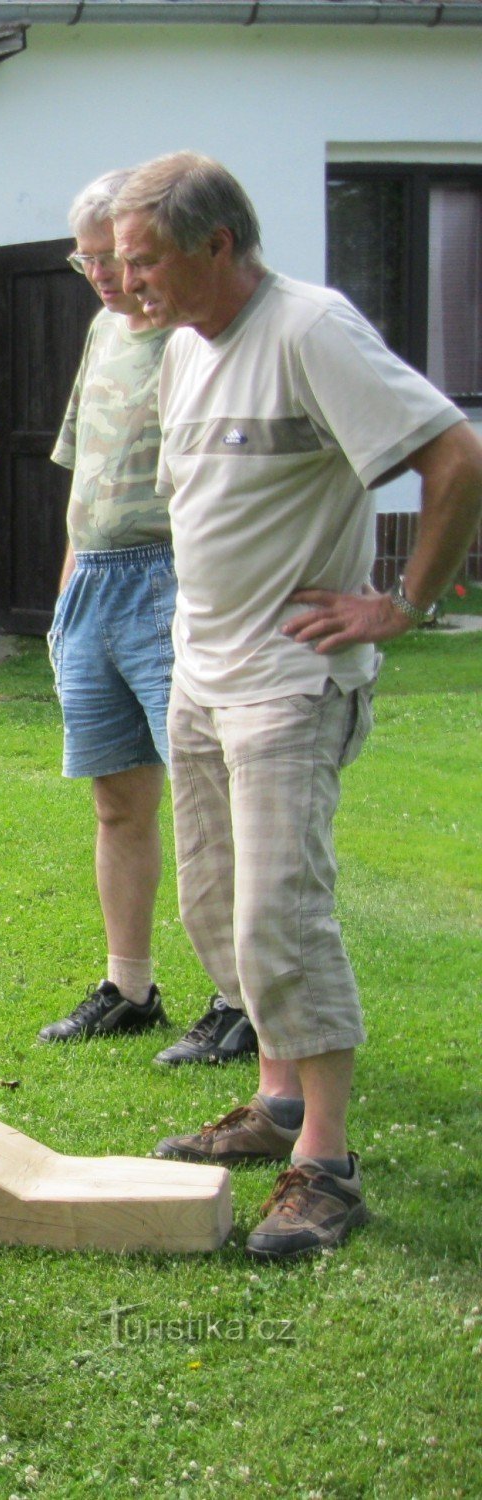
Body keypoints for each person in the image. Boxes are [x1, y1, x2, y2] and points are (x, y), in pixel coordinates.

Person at [112, 152, 482, 1257]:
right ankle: (274, 1105)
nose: (129, 284)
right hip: (201, 670)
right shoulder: (182, 348)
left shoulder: (309, 328)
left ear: (216, 245)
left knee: (280, 911)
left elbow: (453, 450)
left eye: (145, 262)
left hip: (287, 678)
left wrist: (401, 605)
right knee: (214, 905)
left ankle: (324, 1160)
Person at [35, 167, 186, 1051]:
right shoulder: (101, 329)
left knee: (208, 800)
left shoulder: (198, 333)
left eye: (111, 256)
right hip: (93, 583)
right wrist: (65, 596)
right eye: (83, 257)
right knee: (116, 802)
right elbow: (83, 467)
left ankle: (242, 1003)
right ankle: (129, 987)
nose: (98, 272)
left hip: (172, 581)